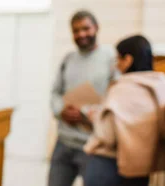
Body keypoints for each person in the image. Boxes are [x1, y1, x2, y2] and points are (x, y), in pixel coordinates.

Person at [83, 35, 165, 186]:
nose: (117, 65)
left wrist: (94, 117)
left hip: (108, 166)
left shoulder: (122, 88)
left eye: (118, 59)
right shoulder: (163, 85)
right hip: (141, 168)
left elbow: (107, 135)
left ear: (128, 60)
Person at [48, 10, 118, 186]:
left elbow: (116, 98)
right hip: (64, 142)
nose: (81, 34)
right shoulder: (68, 59)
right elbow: (55, 92)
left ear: (96, 28)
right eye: (76, 30)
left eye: (86, 28)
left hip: (94, 144)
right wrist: (60, 111)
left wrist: (85, 113)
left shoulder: (111, 58)